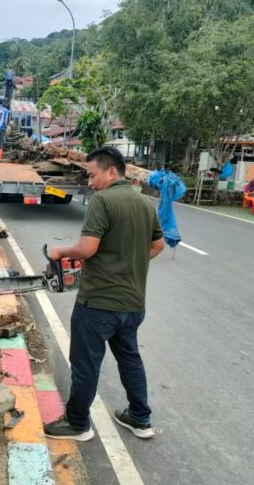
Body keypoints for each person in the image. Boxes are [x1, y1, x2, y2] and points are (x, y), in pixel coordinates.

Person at [43, 146, 164, 442]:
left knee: (86, 363)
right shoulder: (145, 202)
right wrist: (127, 262)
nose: (90, 182)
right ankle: (140, 418)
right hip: (133, 304)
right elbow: (158, 245)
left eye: (93, 175)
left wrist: (60, 251)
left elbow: (86, 250)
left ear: (112, 171)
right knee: (130, 359)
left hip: (98, 303)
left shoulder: (103, 200)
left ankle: (77, 423)